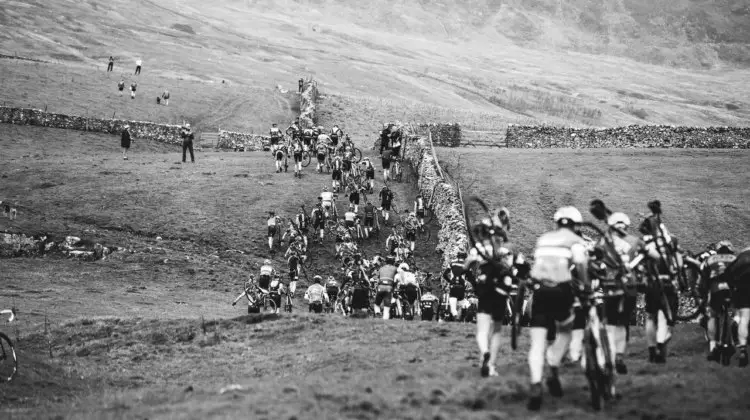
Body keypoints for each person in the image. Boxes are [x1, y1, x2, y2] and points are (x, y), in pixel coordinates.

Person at [525, 206, 590, 411]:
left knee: (537, 342)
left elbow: (536, 267)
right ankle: (553, 363)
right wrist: (586, 286)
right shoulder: (575, 241)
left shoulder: (543, 239)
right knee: (565, 330)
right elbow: (580, 264)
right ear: (575, 225)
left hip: (541, 291)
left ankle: (536, 383)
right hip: (562, 291)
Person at [592, 212, 660, 377]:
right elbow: (656, 257)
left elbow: (594, 258)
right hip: (630, 286)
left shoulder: (604, 241)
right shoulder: (636, 241)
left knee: (610, 323)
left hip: (610, 285)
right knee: (623, 323)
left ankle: (609, 357)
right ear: (627, 226)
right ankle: (619, 357)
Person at [464, 210, 516, 377]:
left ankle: (484, 352)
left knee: (482, 328)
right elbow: (510, 267)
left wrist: (471, 272)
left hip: (485, 285)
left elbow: (466, 265)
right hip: (501, 287)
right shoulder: (505, 247)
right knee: (497, 330)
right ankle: (491, 365)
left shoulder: (479, 247)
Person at [638, 200, 680, 364]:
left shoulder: (643, 243)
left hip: (651, 282)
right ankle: (661, 344)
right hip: (667, 281)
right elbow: (676, 260)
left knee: (650, 316)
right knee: (662, 318)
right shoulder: (667, 240)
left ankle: (651, 349)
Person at [702, 241, 737, 362]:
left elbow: (703, 277)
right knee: (730, 316)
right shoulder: (734, 258)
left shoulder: (711, 259)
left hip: (715, 290)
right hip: (730, 290)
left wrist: (703, 293)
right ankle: (728, 342)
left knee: (712, 316)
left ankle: (713, 346)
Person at [725, 246, 750, 367]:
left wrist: (733, 288)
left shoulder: (741, 256)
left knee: (743, 319)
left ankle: (743, 350)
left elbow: (727, 274)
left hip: (742, 289)